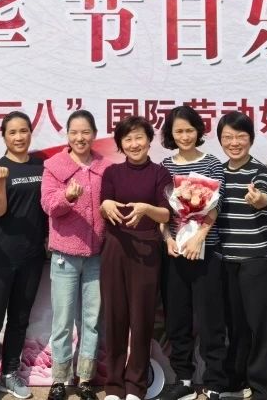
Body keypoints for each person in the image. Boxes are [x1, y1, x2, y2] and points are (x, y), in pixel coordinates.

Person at [157, 106, 227, 400]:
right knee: (178, 318)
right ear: (170, 135)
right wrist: (167, 239)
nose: (184, 136)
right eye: (179, 131)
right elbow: (162, 209)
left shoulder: (212, 164)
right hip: (175, 254)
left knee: (211, 319)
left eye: (189, 130)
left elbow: (216, 205)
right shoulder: (164, 165)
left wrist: (199, 237)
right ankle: (184, 380)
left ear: (198, 131)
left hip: (206, 252)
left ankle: (215, 382)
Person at [99, 115, 172, 400]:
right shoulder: (112, 173)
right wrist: (106, 205)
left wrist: (146, 209)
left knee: (142, 320)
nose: (134, 144)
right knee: (114, 318)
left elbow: (166, 214)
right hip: (115, 249)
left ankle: (136, 386)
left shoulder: (160, 174)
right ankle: (114, 386)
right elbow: (104, 205)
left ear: (149, 140)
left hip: (147, 250)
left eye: (139, 137)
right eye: (127, 139)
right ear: (120, 145)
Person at [40, 110, 110, 400]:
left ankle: (85, 379)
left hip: (96, 254)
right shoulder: (55, 166)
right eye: (74, 132)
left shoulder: (106, 167)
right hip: (65, 255)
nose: (80, 138)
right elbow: (48, 204)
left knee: (91, 320)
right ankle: (59, 380)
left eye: (85, 132)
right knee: (63, 320)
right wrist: (67, 196)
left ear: (94, 134)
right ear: (67, 135)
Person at [0, 112, 47, 400]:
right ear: (4, 136)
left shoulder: (42, 166)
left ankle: (9, 373)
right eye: (12, 132)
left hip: (32, 257)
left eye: (23, 131)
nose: (19, 137)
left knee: (20, 320)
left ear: (31, 132)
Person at [215, 112, 267, 400]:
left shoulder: (259, 171)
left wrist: (258, 199)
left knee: (261, 327)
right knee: (236, 326)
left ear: (251, 139)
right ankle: (236, 381)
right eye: (228, 137)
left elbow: (263, 196)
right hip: (227, 261)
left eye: (240, 137)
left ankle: (265, 388)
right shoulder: (218, 173)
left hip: (257, 260)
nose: (234, 142)